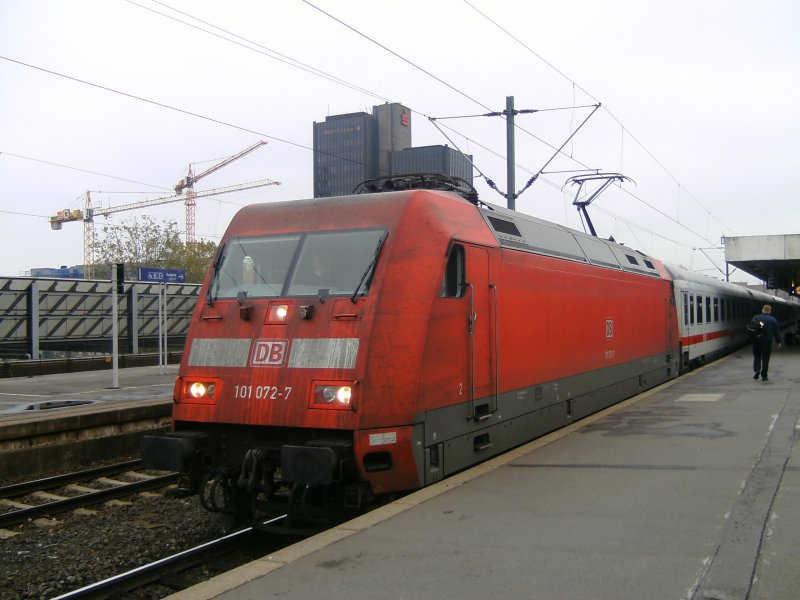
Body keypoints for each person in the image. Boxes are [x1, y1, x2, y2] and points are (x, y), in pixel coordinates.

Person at [751, 304, 781, 381]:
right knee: (765, 358)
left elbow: (751, 329)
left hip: (756, 341)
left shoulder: (756, 318)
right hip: (767, 341)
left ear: (762, 310)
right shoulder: (773, 320)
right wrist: (778, 341)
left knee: (757, 356)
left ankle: (757, 370)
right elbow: (776, 332)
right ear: (769, 311)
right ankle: (764, 376)